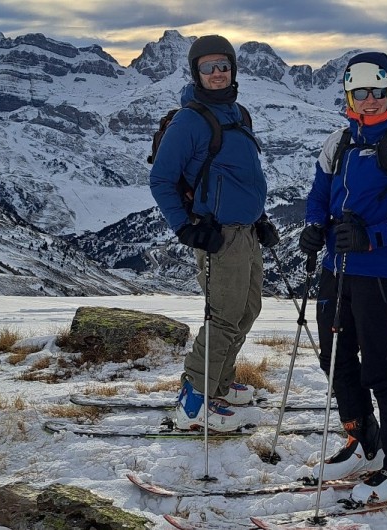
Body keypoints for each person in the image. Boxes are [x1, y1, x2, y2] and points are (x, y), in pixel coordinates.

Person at [297, 51, 387, 504]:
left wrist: (372, 237)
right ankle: (365, 444)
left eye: (378, 91)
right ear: (349, 95)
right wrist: (314, 225)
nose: (370, 100)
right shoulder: (338, 141)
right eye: (361, 93)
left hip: (379, 272)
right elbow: (318, 195)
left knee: (379, 369)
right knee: (335, 363)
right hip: (336, 270)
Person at [149, 35, 279, 431]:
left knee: (247, 310)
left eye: (223, 65)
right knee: (223, 316)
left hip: (246, 232)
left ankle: (219, 383)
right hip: (218, 235)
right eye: (208, 67)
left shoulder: (238, 113)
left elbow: (236, 176)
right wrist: (186, 228)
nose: (217, 73)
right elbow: (161, 179)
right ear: (196, 72)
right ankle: (194, 401)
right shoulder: (192, 119)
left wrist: (259, 217)